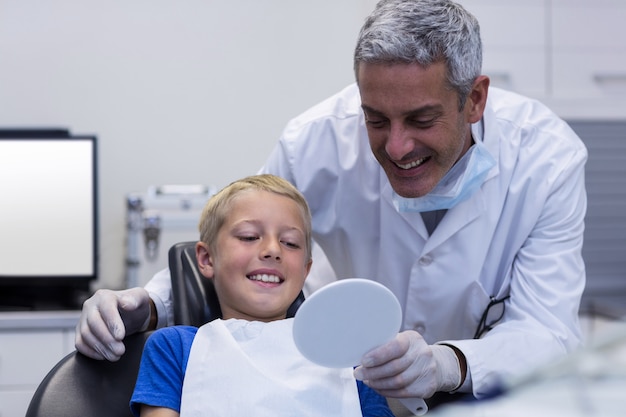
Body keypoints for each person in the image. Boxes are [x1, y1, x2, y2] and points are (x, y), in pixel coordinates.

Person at [77, 0, 587, 411]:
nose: (397, 147)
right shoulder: (315, 140)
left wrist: (448, 363)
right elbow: (242, 227)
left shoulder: (546, 160)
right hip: (351, 372)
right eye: (376, 120)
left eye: (421, 119)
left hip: (482, 390)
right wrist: (144, 303)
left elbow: (546, 330)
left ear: (474, 99)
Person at [130, 174, 394, 417]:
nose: (272, 250)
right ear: (207, 258)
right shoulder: (174, 348)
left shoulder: (350, 359)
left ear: (305, 270)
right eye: (249, 237)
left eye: (290, 242)